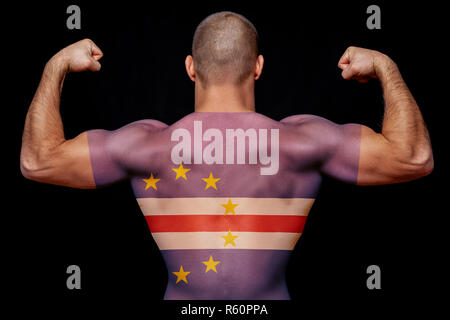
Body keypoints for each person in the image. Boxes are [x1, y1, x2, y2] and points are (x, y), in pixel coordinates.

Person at [20, 11, 433, 300]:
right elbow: (414, 159)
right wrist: (384, 66)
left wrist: (55, 65)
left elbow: (38, 162)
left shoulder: (145, 145)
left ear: (190, 68)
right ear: (257, 67)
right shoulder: (302, 140)